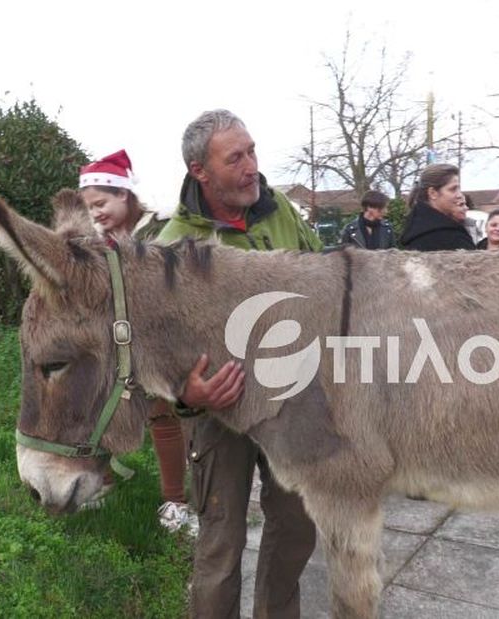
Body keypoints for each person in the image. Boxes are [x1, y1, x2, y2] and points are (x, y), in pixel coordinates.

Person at [156, 109, 320, 619]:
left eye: (252, 151)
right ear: (199, 170)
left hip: (293, 408)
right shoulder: (170, 246)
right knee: (220, 548)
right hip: (219, 420)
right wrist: (188, 394)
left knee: (294, 534)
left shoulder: (281, 213)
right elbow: (154, 350)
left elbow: (323, 275)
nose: (252, 167)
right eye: (236, 158)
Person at [76, 150, 196, 534]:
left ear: (124, 195)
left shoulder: (156, 231)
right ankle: (104, 479)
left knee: (163, 416)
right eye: (88, 206)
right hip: (113, 343)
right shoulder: (95, 242)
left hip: (159, 341)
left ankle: (175, 501)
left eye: (101, 203)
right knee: (101, 409)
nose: (95, 212)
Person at [399, 163, 476, 251]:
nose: (460, 195)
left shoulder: (415, 230)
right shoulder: (450, 238)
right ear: (433, 193)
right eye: (453, 189)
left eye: (459, 189)